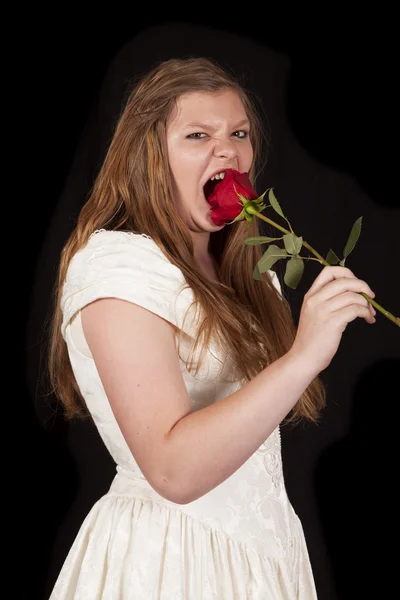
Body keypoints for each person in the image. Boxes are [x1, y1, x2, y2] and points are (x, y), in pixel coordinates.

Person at [47, 56, 376, 599]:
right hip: (171, 563)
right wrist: (303, 355)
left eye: (239, 133)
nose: (228, 150)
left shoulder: (249, 276)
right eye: (199, 134)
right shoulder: (117, 266)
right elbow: (173, 470)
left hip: (262, 558)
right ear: (149, 154)